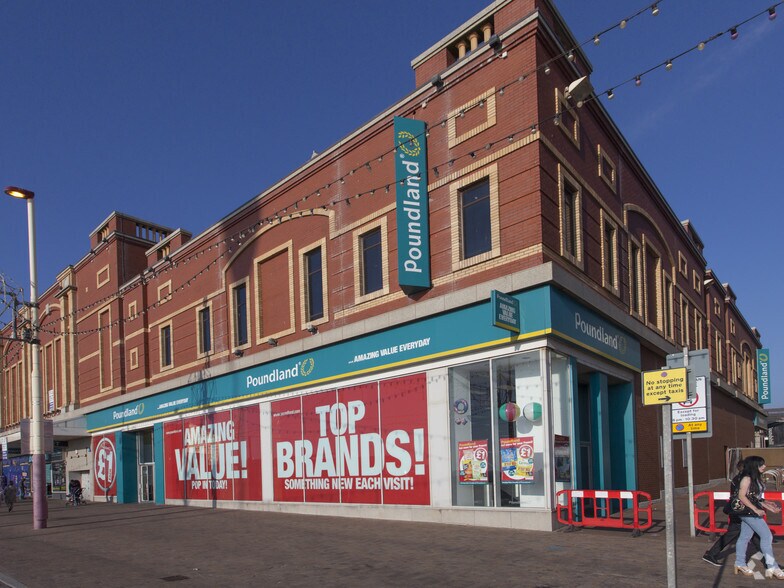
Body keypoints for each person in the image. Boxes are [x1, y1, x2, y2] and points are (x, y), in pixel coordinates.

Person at [703, 458, 762, 566]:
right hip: (742, 512)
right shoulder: (743, 479)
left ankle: (711, 554)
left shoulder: (737, 479)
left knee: (749, 536)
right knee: (753, 536)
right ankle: (770, 564)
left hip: (738, 511)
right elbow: (745, 496)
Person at [734, 456, 784, 579]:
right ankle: (772, 566)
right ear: (754, 466)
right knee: (767, 536)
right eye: (761, 464)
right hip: (748, 513)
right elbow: (742, 496)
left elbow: (755, 497)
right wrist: (756, 509)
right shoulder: (746, 478)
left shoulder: (755, 478)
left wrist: (768, 505)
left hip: (750, 512)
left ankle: (739, 563)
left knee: (744, 537)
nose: (764, 466)